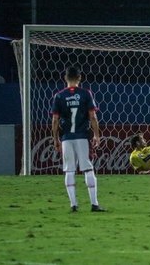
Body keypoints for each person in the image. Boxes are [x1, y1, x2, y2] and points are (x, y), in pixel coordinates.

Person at [51, 66, 105, 213]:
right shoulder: (85, 94)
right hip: (82, 137)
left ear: (65, 78)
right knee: (88, 169)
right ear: (80, 78)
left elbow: (55, 120)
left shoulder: (59, 96)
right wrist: (97, 135)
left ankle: (73, 205)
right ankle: (94, 204)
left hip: (67, 138)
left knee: (69, 170)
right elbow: (93, 117)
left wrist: (55, 138)